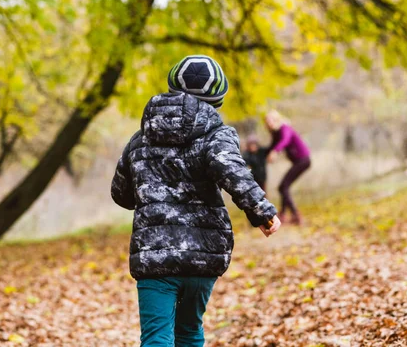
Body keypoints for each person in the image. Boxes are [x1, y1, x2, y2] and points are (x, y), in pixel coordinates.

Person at [110, 55, 281, 347]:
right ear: (217, 100)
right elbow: (234, 173)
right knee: (189, 332)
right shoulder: (217, 135)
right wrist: (262, 212)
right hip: (202, 254)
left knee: (156, 337)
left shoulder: (139, 140)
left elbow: (121, 194)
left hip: (154, 256)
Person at [265, 110, 311, 225]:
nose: (269, 123)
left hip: (303, 160)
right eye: (267, 121)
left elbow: (285, 140)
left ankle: (294, 215)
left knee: (283, 186)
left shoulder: (285, 128)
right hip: (299, 162)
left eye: (272, 120)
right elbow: (271, 147)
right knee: (283, 187)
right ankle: (284, 214)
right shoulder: (276, 133)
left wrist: (275, 152)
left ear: (277, 120)